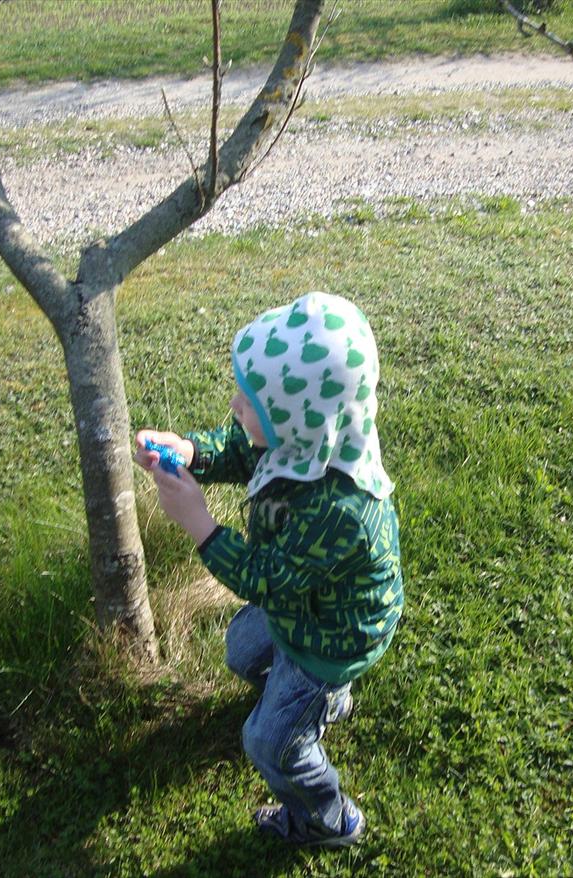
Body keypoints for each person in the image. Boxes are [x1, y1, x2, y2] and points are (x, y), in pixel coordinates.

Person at [135, 291, 403, 848]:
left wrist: (200, 525)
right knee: (242, 649)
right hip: (303, 605)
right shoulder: (304, 438)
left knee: (268, 743)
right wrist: (189, 451)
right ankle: (314, 703)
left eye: (251, 400)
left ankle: (327, 820)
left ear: (298, 418)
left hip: (333, 637)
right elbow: (241, 449)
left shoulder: (340, 509)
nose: (235, 404)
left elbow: (265, 579)